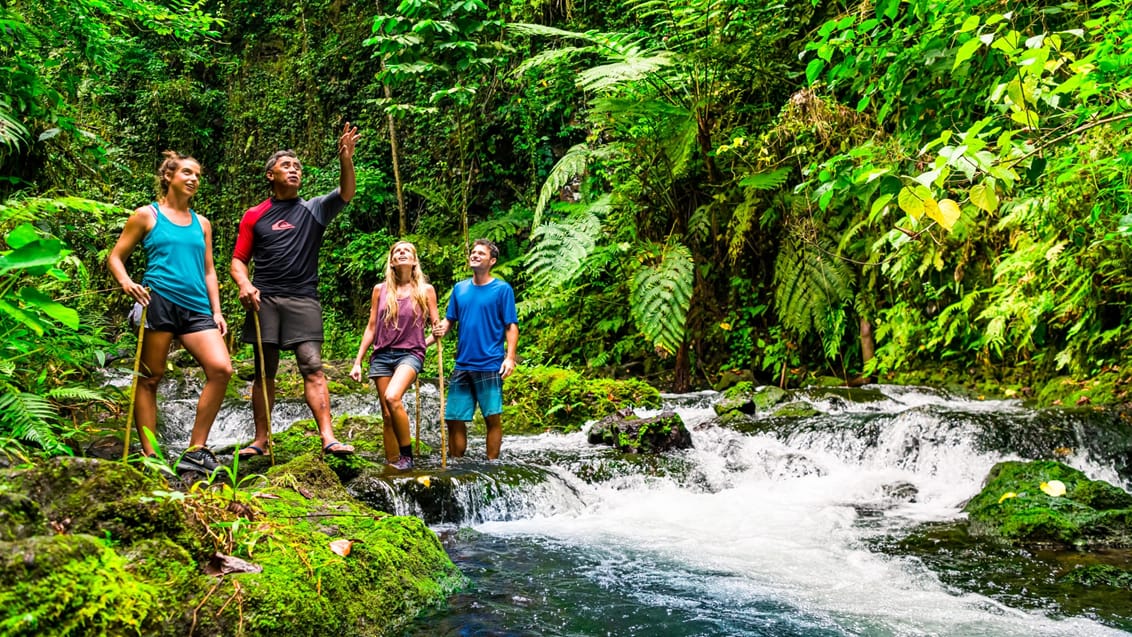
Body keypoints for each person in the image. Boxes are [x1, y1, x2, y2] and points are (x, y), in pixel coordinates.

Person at [231, 122, 361, 458]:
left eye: (298, 167)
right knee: (264, 370)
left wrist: (346, 159)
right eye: (286, 165)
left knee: (311, 365)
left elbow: (346, 193)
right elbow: (238, 261)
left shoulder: (314, 209)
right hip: (266, 299)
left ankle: (328, 437)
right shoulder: (254, 215)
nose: (294, 170)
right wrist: (245, 285)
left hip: (303, 297)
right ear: (270, 175)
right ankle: (261, 439)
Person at [107, 151, 233, 474]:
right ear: (169, 176)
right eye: (187, 173)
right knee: (151, 378)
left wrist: (217, 311)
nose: (194, 179)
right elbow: (116, 257)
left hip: (196, 307)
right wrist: (126, 282)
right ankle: (151, 456)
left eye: (198, 176)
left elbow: (208, 271)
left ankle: (196, 448)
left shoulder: (202, 224)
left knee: (221, 369)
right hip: (158, 301)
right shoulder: (147, 216)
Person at [348, 241, 440, 470]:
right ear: (391, 261)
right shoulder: (380, 290)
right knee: (387, 415)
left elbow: (437, 328)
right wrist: (358, 361)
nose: (402, 253)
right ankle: (392, 465)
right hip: (381, 355)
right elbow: (371, 327)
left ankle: (407, 457)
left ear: (414, 260)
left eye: (407, 250)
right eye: (397, 251)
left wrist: (429, 338)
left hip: (410, 354)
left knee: (392, 397)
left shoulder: (425, 291)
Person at [434, 239, 518, 461]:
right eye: (473, 252)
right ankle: (457, 465)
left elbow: (511, 325)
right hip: (463, 363)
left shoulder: (502, 290)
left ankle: (492, 464)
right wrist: (431, 336)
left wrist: (509, 358)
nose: (475, 255)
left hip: (490, 363)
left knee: (492, 417)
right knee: (453, 418)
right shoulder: (459, 289)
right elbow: (449, 321)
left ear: (492, 261)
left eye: (481, 253)